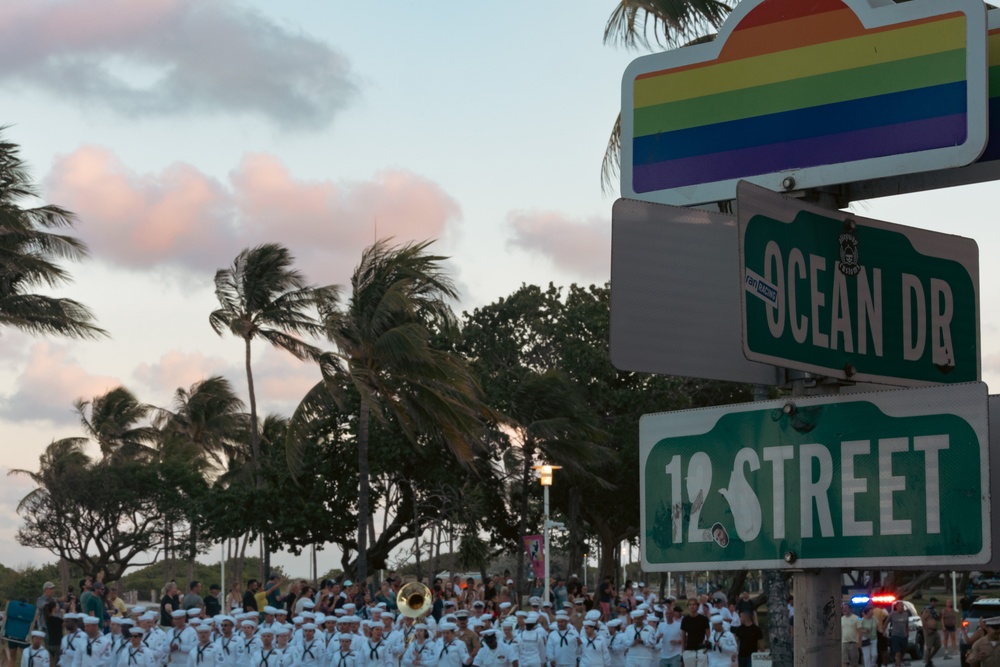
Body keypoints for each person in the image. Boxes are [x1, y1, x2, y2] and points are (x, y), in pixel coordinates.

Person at [681, 598, 709, 667]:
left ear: (697, 606)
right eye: (690, 605)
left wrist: (707, 648)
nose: (692, 606)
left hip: (701, 649)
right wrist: (683, 651)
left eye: (694, 604)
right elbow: (683, 636)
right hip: (689, 650)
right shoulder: (685, 620)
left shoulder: (704, 619)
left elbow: (708, 635)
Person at [882, 601, 909, 667]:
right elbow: (886, 623)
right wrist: (883, 631)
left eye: (903, 606)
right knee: (898, 653)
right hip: (895, 636)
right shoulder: (892, 614)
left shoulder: (906, 614)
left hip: (904, 636)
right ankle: (898, 665)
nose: (902, 607)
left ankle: (897, 663)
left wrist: (907, 633)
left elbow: (907, 625)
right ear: (897, 607)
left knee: (902, 652)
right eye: (901, 606)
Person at [921, 598, 941, 667]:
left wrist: (940, 615)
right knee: (929, 647)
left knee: (938, 645)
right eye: (934, 602)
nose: (935, 603)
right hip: (929, 631)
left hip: (935, 631)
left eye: (936, 602)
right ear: (931, 602)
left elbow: (938, 619)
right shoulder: (927, 610)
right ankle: (927, 663)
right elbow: (923, 620)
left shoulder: (934, 611)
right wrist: (927, 630)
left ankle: (929, 658)